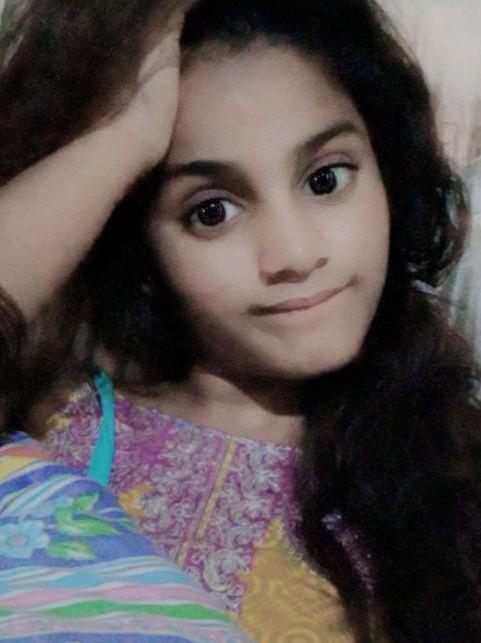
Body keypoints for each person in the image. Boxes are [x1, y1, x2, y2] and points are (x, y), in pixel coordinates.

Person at [1, 0, 480, 641]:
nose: (295, 254)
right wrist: (120, 140)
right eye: (212, 212)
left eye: (326, 179)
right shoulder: (53, 421)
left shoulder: (456, 474)